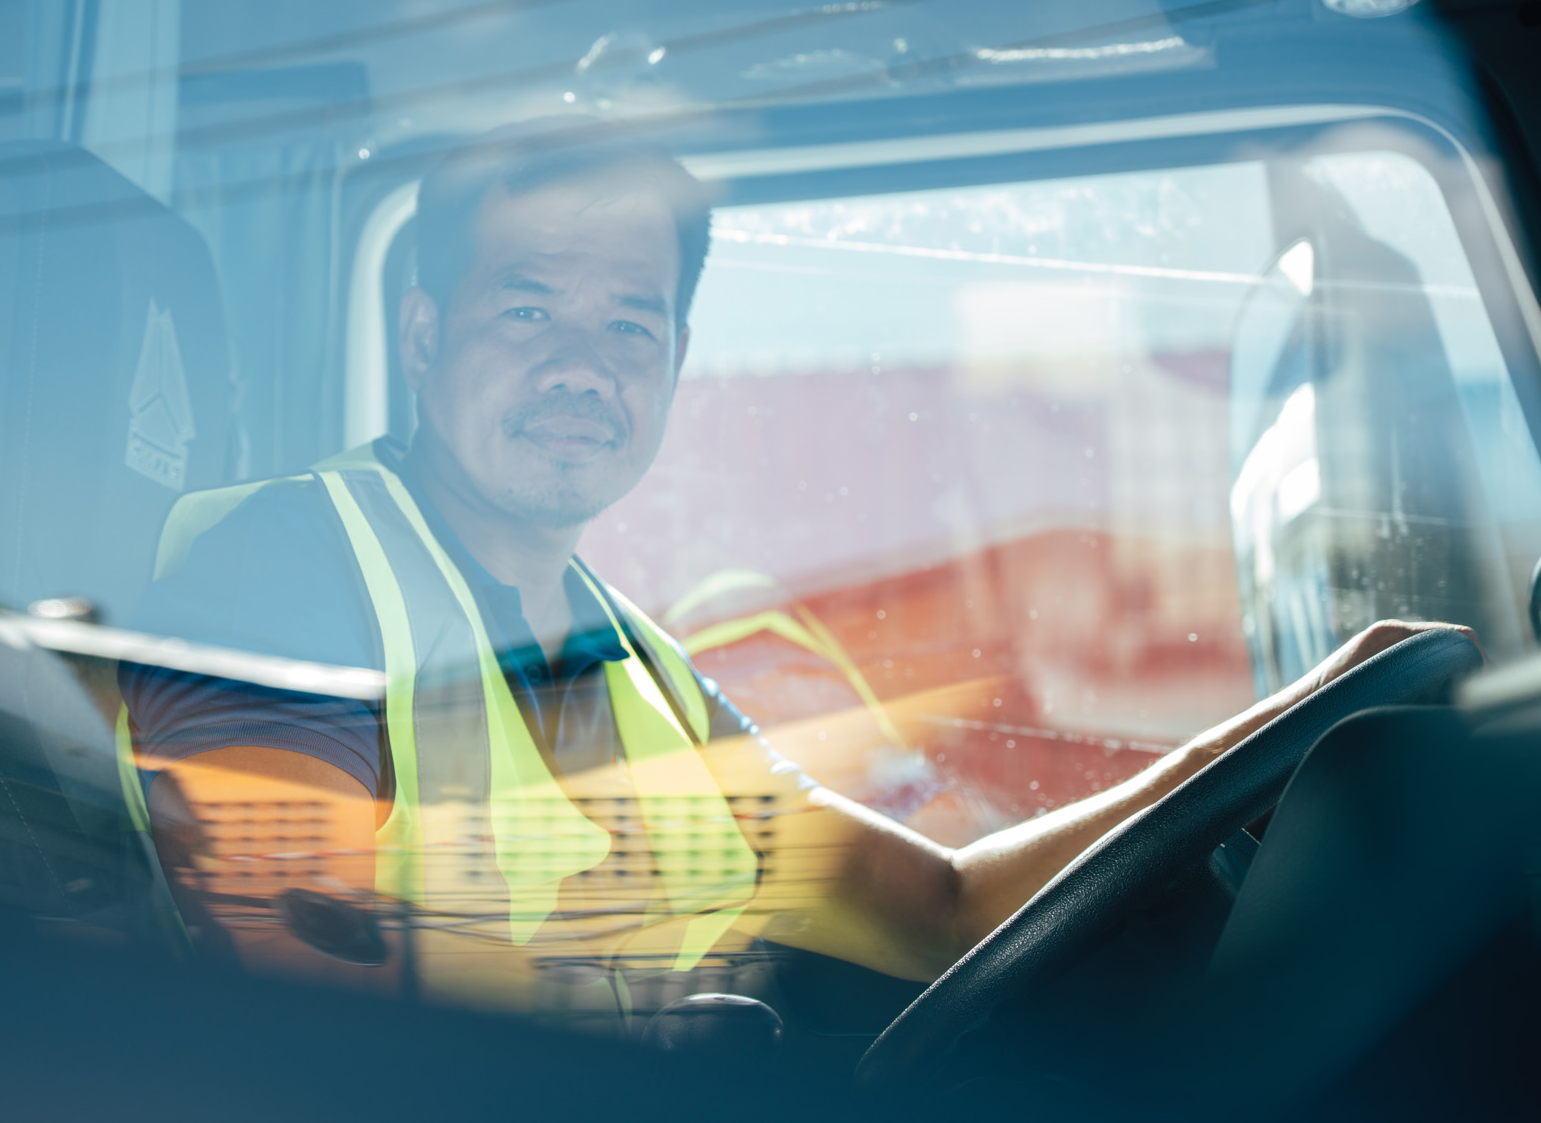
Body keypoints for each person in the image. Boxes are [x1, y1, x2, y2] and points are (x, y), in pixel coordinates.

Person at [120, 119, 1461, 1026]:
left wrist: (1298, 725)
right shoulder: (286, 570)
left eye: (629, 323)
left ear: (673, 361)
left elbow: (939, 909)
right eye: (528, 308)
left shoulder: (644, 673)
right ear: (423, 334)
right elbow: (287, 976)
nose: (582, 365)